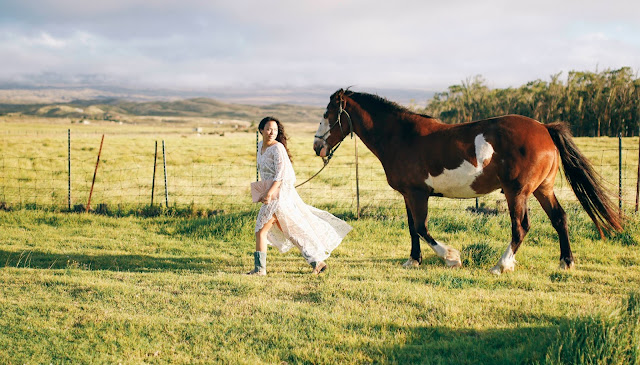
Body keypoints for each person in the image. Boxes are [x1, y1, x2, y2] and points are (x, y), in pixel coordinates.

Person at [248, 116, 352, 276]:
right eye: (268, 129)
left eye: (274, 130)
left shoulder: (278, 149)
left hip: (278, 197)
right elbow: (264, 172)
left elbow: (280, 175)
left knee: (261, 231)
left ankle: (260, 270)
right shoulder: (260, 145)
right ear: (261, 130)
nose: (271, 132)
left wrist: (269, 194)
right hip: (270, 194)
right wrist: (262, 191)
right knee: (290, 231)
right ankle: (317, 263)